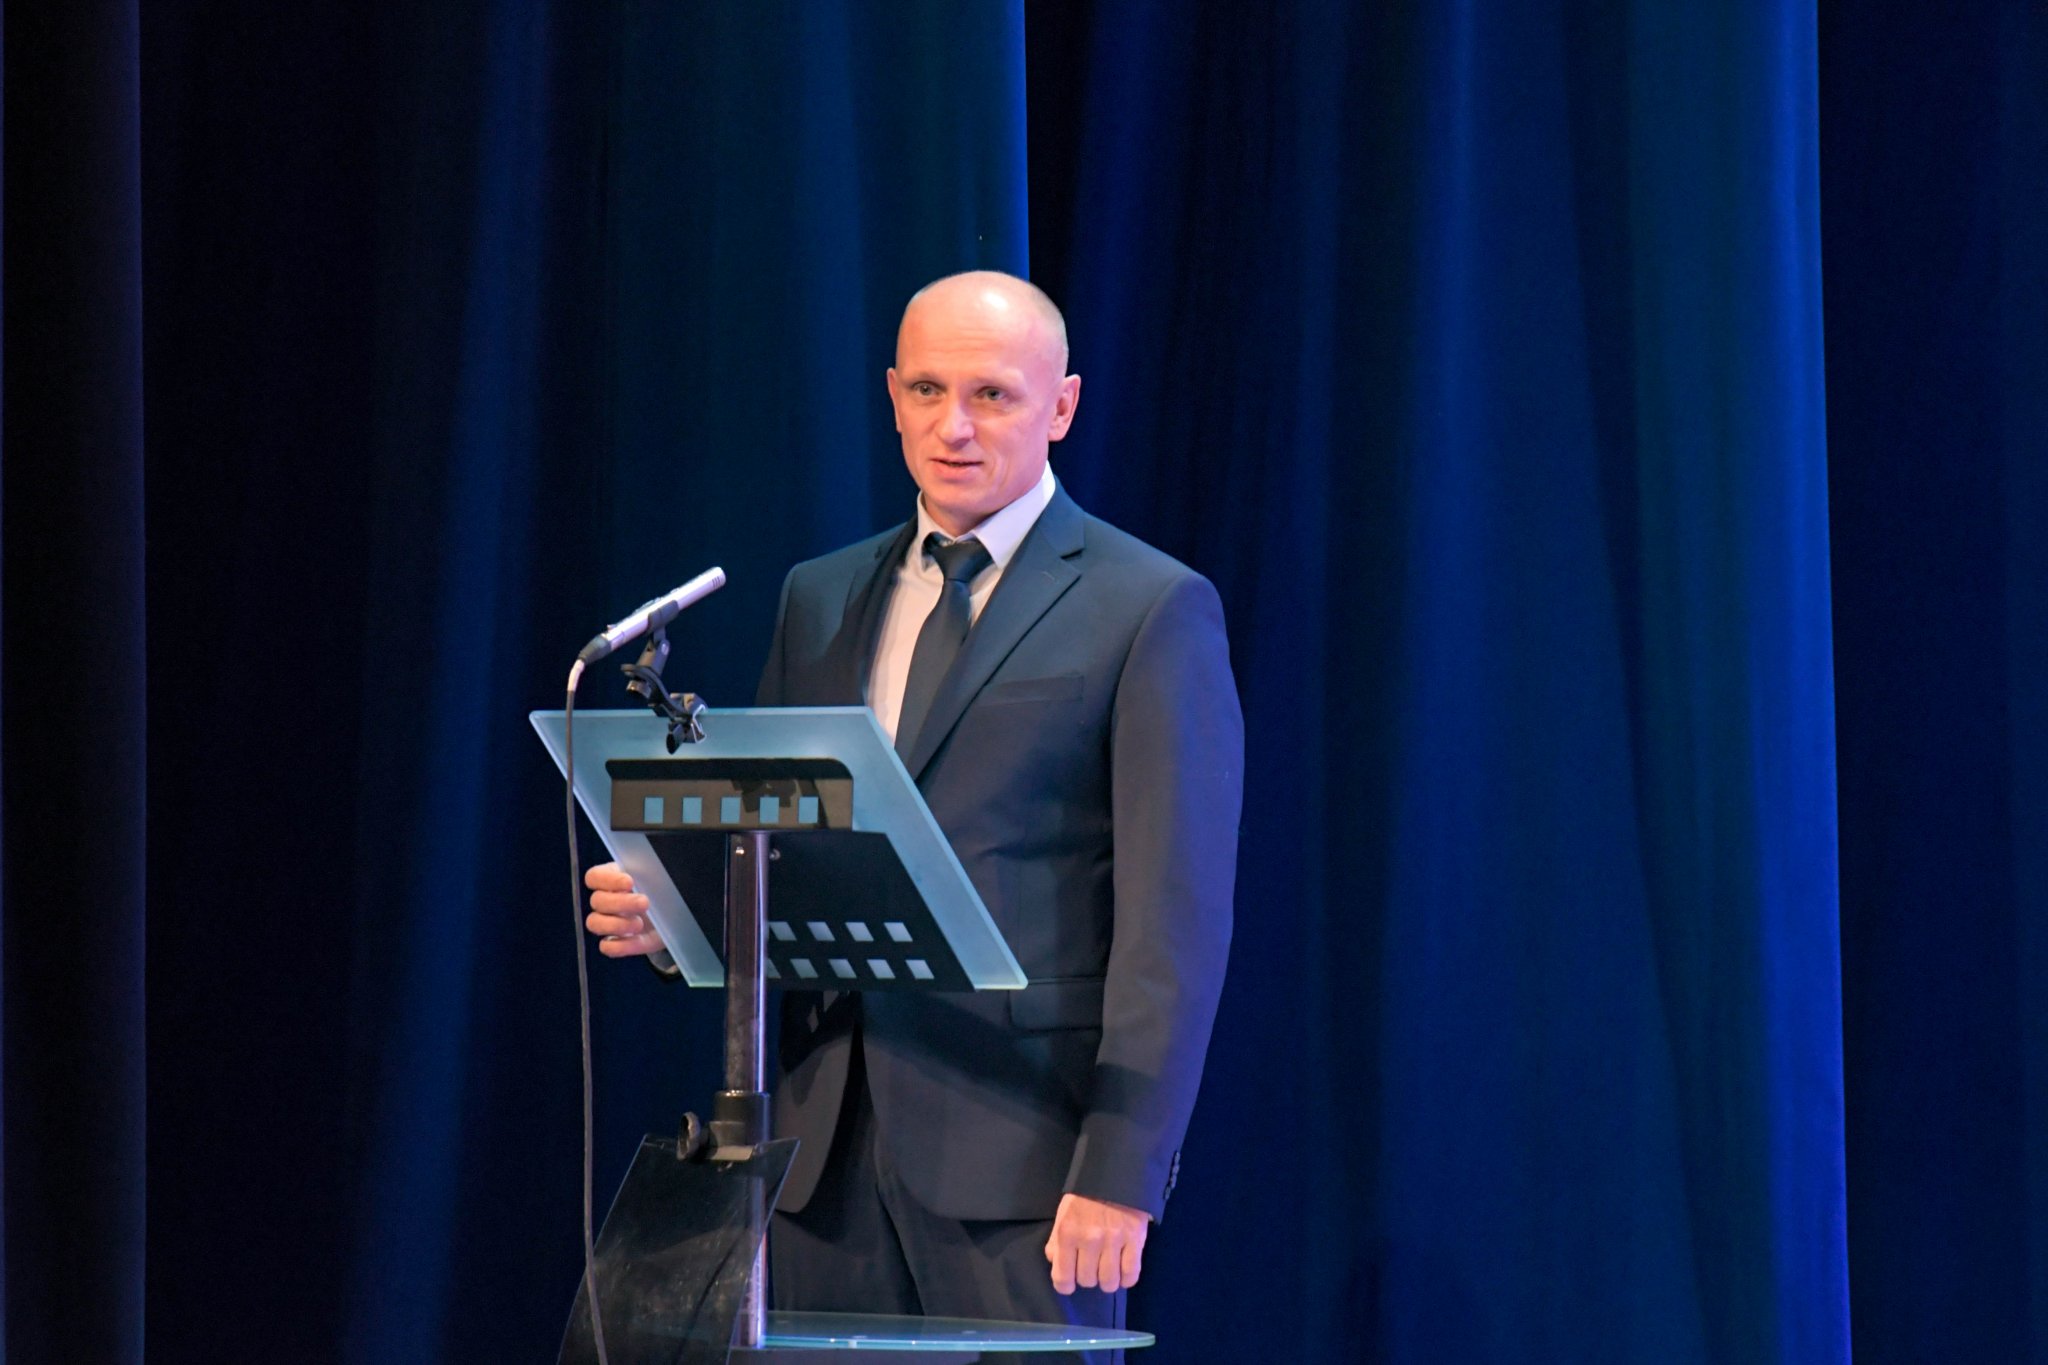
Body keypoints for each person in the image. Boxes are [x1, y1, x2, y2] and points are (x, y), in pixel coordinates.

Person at [584, 271, 1242, 1359]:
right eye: (928, 390)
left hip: (1025, 1166)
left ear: (1062, 407)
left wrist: (1120, 1172)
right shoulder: (820, 595)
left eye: (992, 395)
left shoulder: (1148, 606)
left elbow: (1174, 927)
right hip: (818, 1154)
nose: (953, 427)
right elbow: (781, 853)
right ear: (892, 396)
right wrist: (676, 920)